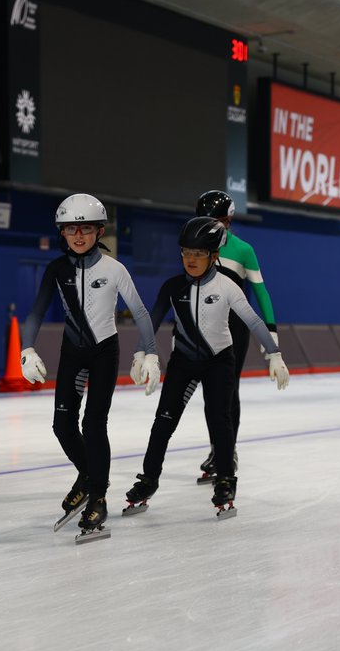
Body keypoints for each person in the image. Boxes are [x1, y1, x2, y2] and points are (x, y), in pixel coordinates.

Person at [124, 216, 289, 518]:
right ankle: (148, 481)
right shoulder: (172, 287)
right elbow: (153, 319)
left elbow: (252, 320)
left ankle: (225, 480)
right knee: (163, 422)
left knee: (219, 421)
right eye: (186, 252)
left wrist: (274, 353)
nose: (191, 259)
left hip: (219, 361)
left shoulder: (227, 286)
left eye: (199, 254)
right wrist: (142, 353)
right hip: (184, 361)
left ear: (214, 256)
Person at [19, 193, 159, 538]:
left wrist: (149, 352)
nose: (78, 236)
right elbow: (36, 311)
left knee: (94, 424)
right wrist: (27, 349)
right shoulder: (56, 269)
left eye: (85, 229)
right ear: (62, 233)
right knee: (62, 424)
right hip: (72, 350)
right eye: (70, 229)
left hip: (103, 351)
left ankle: (98, 496)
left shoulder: (114, 269)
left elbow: (140, 312)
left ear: (99, 231)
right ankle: (91, 474)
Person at [191, 189, 281, 483]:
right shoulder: (194, 246)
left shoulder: (243, 250)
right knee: (209, 393)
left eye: (217, 221)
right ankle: (217, 448)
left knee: (227, 390)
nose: (211, 226)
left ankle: (227, 452)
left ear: (228, 222)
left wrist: (271, 333)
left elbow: (261, 292)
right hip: (204, 325)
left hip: (234, 328)